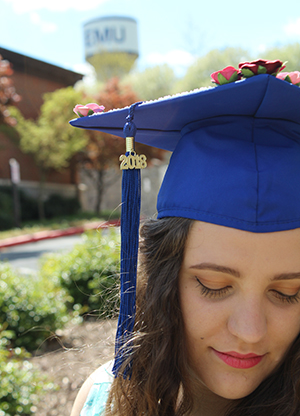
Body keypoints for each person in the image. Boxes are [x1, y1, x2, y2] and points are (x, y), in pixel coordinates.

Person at [70, 60, 300, 415]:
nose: (250, 331)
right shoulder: (100, 401)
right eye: (213, 285)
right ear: (164, 274)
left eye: (288, 294)